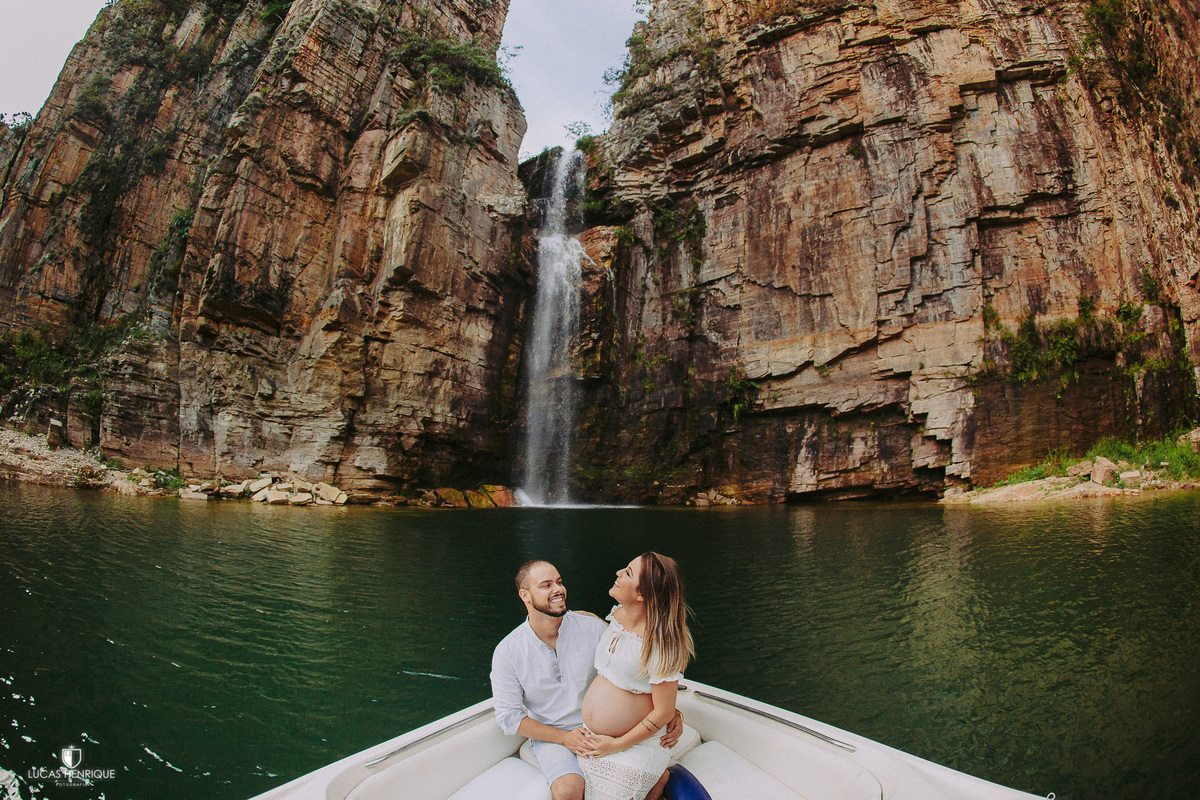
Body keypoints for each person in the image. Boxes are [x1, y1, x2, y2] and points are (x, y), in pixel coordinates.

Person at [491, 560, 681, 800]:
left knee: (646, 781)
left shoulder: (593, 627)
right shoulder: (508, 651)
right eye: (546, 585)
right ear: (525, 596)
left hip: (601, 733)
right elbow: (509, 717)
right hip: (554, 735)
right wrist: (563, 738)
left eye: (559, 582)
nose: (558, 589)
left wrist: (673, 712)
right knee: (568, 789)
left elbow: (637, 667)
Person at [577, 552, 694, 800]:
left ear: (641, 595)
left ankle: (655, 780)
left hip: (635, 744)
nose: (618, 573)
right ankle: (655, 785)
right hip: (598, 736)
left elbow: (663, 711)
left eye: (628, 572)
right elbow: (621, 646)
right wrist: (567, 617)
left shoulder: (661, 644)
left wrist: (616, 745)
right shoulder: (618, 615)